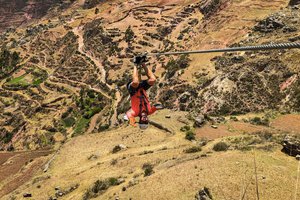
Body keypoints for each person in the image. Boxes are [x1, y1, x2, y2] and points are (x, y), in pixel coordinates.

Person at [125, 54, 162, 129]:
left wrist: (131, 119)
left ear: (140, 120)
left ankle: (135, 63)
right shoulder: (150, 111)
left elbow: (128, 114)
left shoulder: (135, 113)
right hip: (142, 89)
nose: (144, 119)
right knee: (153, 80)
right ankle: (142, 63)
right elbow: (157, 106)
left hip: (133, 91)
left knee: (135, 82)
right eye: (146, 121)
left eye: (142, 121)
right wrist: (159, 106)